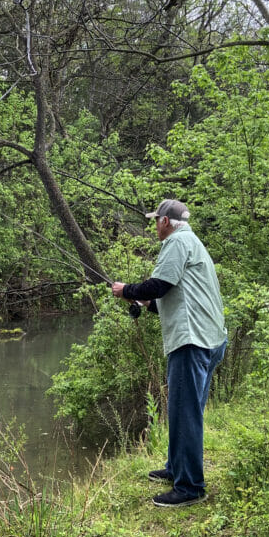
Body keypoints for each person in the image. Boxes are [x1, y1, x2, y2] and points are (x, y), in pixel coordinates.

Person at [112, 199, 227, 508]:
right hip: (210, 339)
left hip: (192, 342)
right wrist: (142, 301)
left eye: (156, 220)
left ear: (165, 221)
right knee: (184, 410)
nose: (155, 226)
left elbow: (159, 285)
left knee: (184, 412)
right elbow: (170, 297)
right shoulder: (193, 242)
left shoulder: (176, 242)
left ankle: (190, 487)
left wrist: (128, 290)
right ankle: (177, 469)